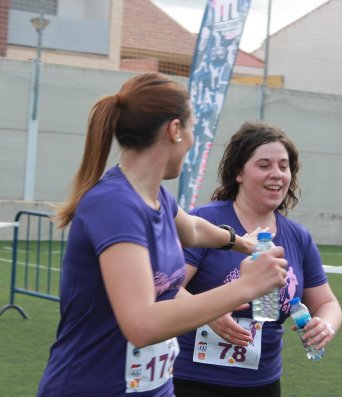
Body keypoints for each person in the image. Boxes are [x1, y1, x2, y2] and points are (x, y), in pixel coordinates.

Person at [35, 73, 289, 397]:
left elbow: (194, 229)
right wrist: (247, 286)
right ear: (174, 130)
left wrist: (241, 243)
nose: (194, 140)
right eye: (192, 129)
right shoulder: (114, 205)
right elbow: (142, 325)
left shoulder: (158, 197)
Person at [173, 122, 342, 397]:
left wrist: (325, 325)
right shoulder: (207, 222)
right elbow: (166, 287)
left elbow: (327, 302)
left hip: (263, 384)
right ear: (239, 172)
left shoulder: (298, 237)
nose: (276, 174)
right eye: (264, 165)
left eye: (283, 166)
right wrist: (207, 312)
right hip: (191, 380)